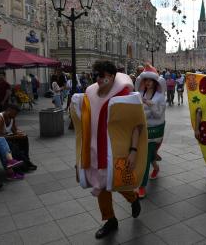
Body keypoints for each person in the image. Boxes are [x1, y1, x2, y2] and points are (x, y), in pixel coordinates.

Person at [70, 60, 144, 239]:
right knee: (100, 185)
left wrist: (133, 150)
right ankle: (110, 219)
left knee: (117, 181)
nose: (97, 78)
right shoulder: (89, 94)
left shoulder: (124, 94)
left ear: (111, 76)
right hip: (94, 149)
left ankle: (133, 199)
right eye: (95, 74)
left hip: (114, 149)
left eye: (101, 75)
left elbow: (137, 124)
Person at [135, 64, 166, 198]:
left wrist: (148, 104)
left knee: (145, 156)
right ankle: (156, 166)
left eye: (150, 80)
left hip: (154, 131)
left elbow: (159, 114)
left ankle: (142, 186)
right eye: (145, 80)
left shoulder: (160, 97)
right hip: (140, 129)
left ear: (155, 82)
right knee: (146, 154)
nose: (147, 83)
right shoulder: (138, 94)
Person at [0, 104, 37, 172]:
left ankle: (26, 161)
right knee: (12, 145)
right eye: (14, 113)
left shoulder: (12, 117)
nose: (15, 115)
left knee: (24, 138)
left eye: (16, 114)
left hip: (4, 138)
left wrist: (20, 133)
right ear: (8, 111)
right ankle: (24, 164)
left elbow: (14, 130)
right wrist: (16, 136)